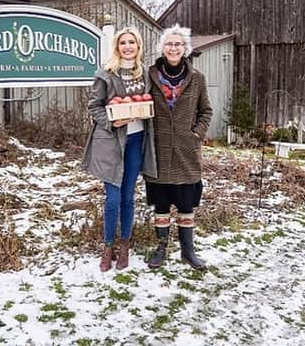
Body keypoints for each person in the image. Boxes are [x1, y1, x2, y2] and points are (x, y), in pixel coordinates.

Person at [81, 27, 157, 272]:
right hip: (111, 143)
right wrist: (112, 122)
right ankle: (107, 246)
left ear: (138, 46)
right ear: (117, 46)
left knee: (128, 197)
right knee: (112, 199)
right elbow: (94, 107)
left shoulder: (145, 73)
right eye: (123, 42)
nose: (127, 46)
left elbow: (149, 103)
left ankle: (125, 244)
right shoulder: (106, 74)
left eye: (131, 42)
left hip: (136, 141)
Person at [144, 24, 212, 270]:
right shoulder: (149, 76)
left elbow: (206, 111)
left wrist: (196, 134)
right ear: (163, 48)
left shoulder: (197, 79)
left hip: (186, 151)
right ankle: (161, 248)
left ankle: (187, 250)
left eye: (178, 44)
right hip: (159, 149)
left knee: (185, 205)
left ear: (185, 49)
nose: (173, 48)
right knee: (161, 204)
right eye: (169, 44)